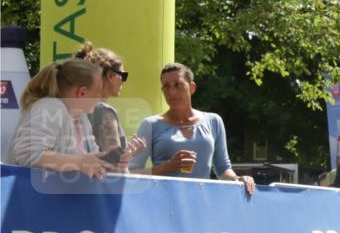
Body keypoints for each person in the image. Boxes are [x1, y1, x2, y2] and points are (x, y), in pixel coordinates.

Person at [129, 63, 255, 195]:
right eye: (166, 87)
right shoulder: (150, 124)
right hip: (163, 204)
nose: (171, 92)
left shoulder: (213, 121)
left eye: (178, 85)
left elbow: (223, 169)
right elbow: (131, 173)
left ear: (192, 87)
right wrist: (167, 167)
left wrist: (238, 179)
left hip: (199, 204)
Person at [5, 58, 135, 178]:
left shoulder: (82, 119)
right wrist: (79, 162)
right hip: (27, 200)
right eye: (99, 91)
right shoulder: (50, 107)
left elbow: (90, 162)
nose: (101, 97)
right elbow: (25, 153)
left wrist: (113, 163)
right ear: (82, 93)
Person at [75, 42, 128, 154]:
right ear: (110, 75)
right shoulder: (104, 111)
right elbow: (114, 161)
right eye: (123, 76)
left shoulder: (76, 110)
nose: (123, 82)